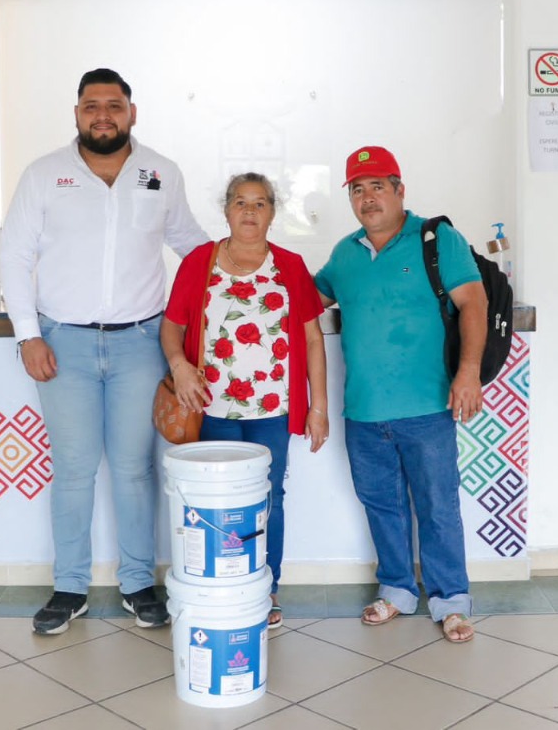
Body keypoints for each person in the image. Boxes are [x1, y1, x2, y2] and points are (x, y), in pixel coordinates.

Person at [0, 68, 209, 635]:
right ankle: (70, 586)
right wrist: (27, 334)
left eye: (113, 105)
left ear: (131, 112)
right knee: (71, 470)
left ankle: (139, 582)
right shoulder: (44, 175)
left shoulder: (161, 173)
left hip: (142, 344)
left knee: (136, 470)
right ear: (76, 113)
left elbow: (191, 248)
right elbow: (14, 255)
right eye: (91, 105)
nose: (102, 115)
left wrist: (248, 271)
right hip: (61, 343)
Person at [314, 146, 486, 644]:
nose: (367, 198)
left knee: (436, 505)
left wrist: (468, 371)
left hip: (428, 406)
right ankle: (396, 590)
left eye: (377, 186)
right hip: (364, 410)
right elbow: (306, 300)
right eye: (357, 189)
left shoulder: (437, 239)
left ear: (399, 190)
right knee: (381, 504)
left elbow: (474, 303)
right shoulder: (345, 253)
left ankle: (451, 600)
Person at [160, 173, 329, 629]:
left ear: (273, 212)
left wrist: (318, 407)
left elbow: (314, 339)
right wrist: (179, 366)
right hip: (212, 408)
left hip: (273, 410)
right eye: (240, 202)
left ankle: (265, 589)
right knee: (216, 497)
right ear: (226, 210)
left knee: (269, 496)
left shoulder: (291, 266)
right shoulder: (200, 261)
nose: (249, 211)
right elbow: (172, 326)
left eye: (259, 203)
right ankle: (222, 583)